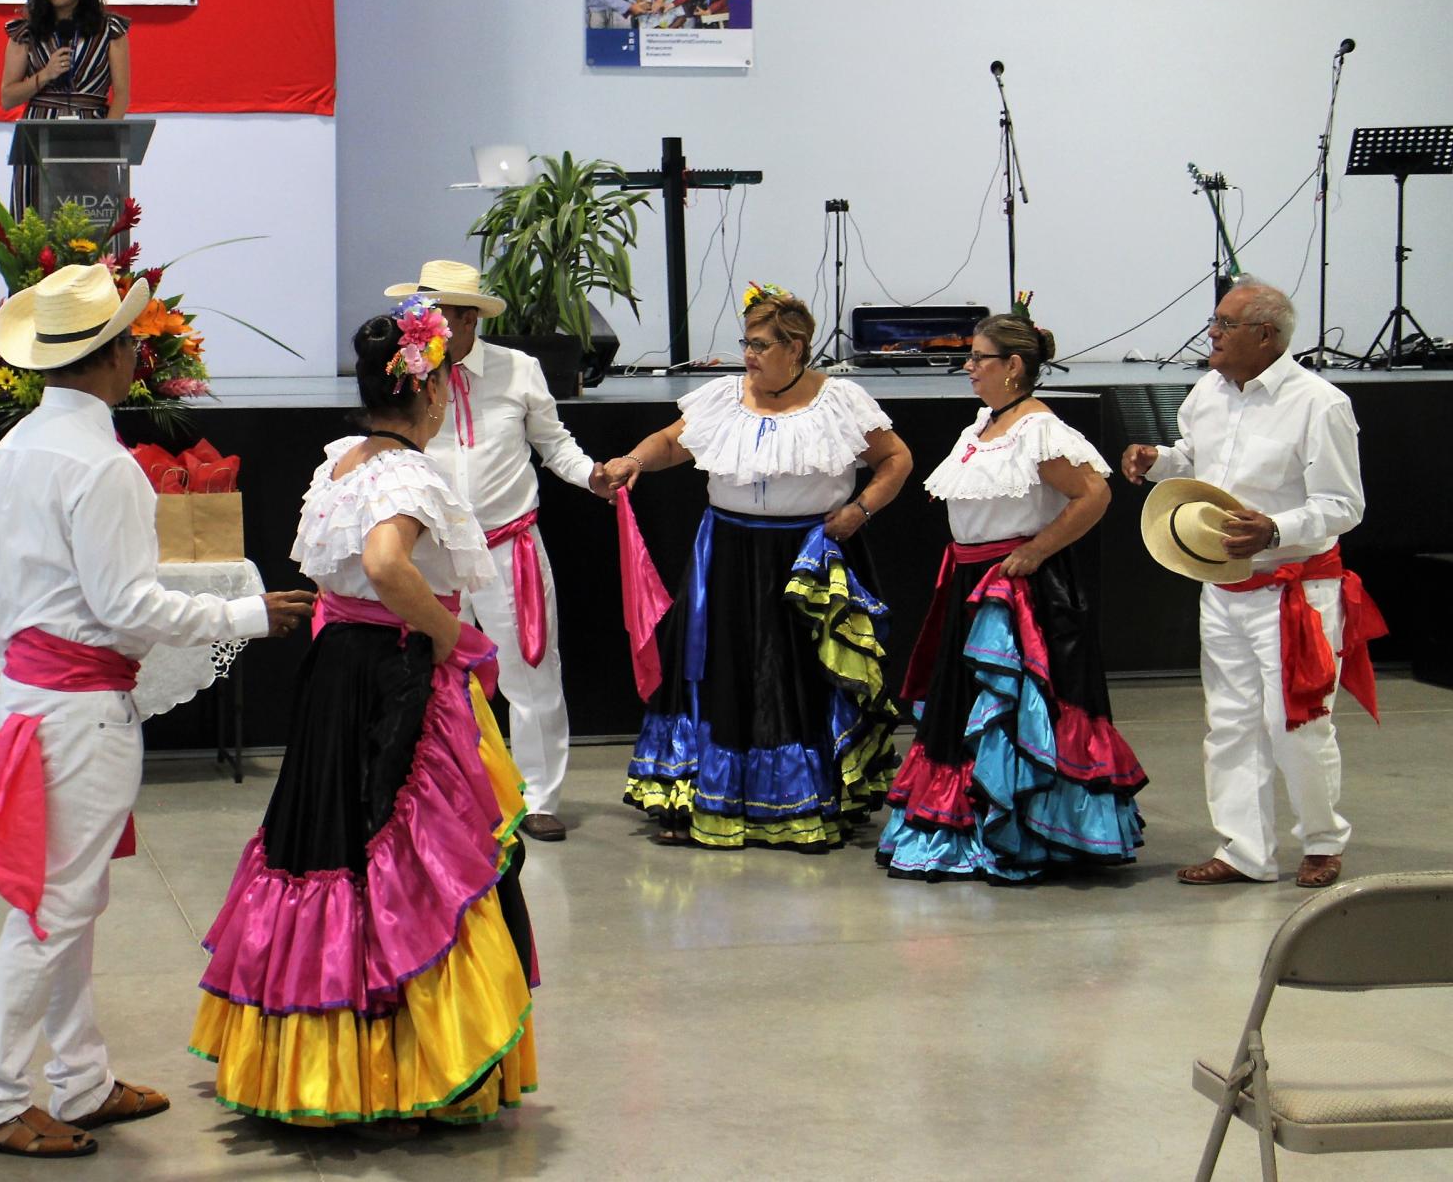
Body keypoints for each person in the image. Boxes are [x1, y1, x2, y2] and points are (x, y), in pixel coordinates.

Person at [0, 264, 314, 1159]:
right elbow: (128, 610)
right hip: (77, 710)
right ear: (112, 357)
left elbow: (4, 597)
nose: (140, 355)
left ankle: (78, 1077)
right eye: (131, 342)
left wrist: (20, 686)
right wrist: (245, 616)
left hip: (39, 698)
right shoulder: (102, 466)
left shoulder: (19, 449)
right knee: (54, 909)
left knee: (69, 900)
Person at [190, 300, 537, 1133]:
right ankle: (407, 1060)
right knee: (410, 857)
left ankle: (313, 1061)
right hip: (393, 684)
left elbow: (347, 570)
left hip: (336, 677)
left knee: (326, 845)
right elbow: (386, 564)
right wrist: (451, 637)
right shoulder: (409, 472)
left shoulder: (343, 461)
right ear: (435, 390)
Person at [605, 286, 913, 849]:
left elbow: (896, 458)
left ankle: (805, 798)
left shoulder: (840, 401)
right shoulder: (723, 396)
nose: (748, 354)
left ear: (796, 348)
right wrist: (634, 461)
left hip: (805, 557)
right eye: (745, 342)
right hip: (726, 553)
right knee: (718, 671)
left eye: (760, 345)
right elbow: (673, 443)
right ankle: (699, 792)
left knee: (793, 678)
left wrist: (861, 509)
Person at [1122, 277, 1375, 889]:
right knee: (1231, 722)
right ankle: (1245, 851)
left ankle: (1321, 840)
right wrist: (1160, 462)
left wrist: (1275, 529)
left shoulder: (1320, 403)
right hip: (1224, 588)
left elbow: (1343, 506)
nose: (1211, 333)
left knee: (1300, 724)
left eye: (1224, 324)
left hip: (1296, 592)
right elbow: (1195, 458)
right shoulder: (1208, 390)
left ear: (1266, 335)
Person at [878, 314, 1145, 882]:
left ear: (1014, 367)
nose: (969, 367)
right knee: (965, 713)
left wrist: (1039, 550)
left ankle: (1027, 830)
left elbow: (1093, 495)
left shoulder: (1039, 430)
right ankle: (970, 818)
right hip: (968, 583)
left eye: (979, 357)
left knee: (1012, 714)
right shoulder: (983, 426)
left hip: (1017, 593)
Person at [391, 261, 615, 842]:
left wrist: (590, 476)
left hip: (507, 546)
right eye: (425, 314)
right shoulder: (409, 371)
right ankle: (441, 794)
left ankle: (538, 798)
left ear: (469, 320)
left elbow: (553, 444)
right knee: (433, 673)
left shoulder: (519, 370)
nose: (429, 326)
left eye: (441, 315)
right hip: (434, 552)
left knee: (529, 670)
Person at [0, 0, 133, 218]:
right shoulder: (25, 32)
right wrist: (44, 75)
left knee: (91, 231)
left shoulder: (110, 30)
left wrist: (104, 146)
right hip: (39, 141)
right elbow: (7, 97)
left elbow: (121, 94)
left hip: (92, 137)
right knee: (35, 235)